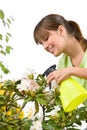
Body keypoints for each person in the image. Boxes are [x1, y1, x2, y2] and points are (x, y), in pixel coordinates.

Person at [33, 14, 87, 90]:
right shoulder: (63, 63)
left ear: (61, 30)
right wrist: (38, 88)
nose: (45, 46)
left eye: (46, 38)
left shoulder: (66, 69)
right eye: (42, 44)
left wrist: (70, 70)